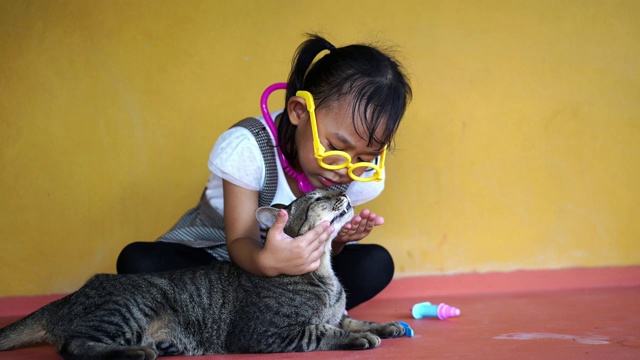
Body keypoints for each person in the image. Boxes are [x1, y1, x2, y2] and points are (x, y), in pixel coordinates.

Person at [117, 34, 412, 310]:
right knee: (139, 262)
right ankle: (267, 316)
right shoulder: (247, 148)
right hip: (220, 261)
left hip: (286, 280)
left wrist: (336, 242)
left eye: (366, 156)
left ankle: (253, 317)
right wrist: (268, 262)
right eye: (335, 146)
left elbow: (319, 256)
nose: (345, 168)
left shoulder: (362, 174)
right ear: (298, 111)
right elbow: (240, 242)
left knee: (375, 264)